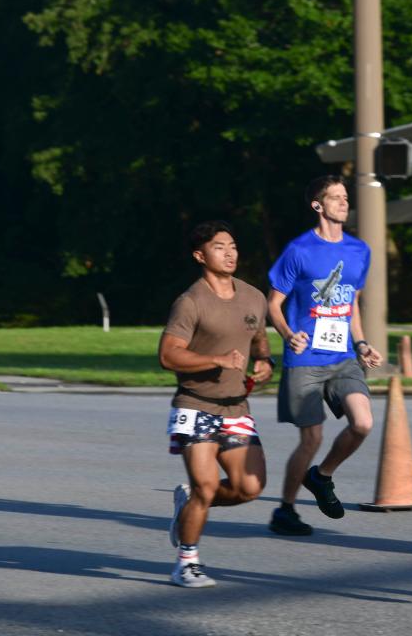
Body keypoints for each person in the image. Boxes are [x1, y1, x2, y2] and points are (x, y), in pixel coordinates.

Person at [266, 176, 384, 537]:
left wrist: (362, 343)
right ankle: (285, 510)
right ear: (318, 205)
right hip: (305, 359)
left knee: (363, 422)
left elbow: (352, 304)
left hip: (343, 356)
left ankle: (322, 475)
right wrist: (288, 335)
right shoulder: (299, 250)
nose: (343, 203)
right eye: (335, 198)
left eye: (345, 197)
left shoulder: (359, 250)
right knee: (311, 439)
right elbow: (273, 303)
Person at [159, 220, 274, 588]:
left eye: (233, 246)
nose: (230, 253)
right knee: (208, 486)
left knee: (249, 488)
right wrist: (217, 361)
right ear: (200, 255)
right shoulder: (190, 302)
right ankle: (187, 562)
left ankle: (189, 504)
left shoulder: (254, 296)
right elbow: (168, 356)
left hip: (237, 407)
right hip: (196, 405)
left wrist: (264, 362)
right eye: (219, 247)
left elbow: (259, 340)